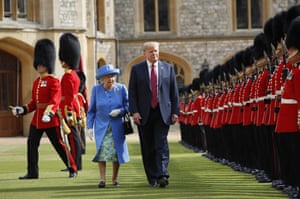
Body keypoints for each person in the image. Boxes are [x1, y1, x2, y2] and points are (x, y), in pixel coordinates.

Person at [10, 38, 78, 179]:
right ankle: (33, 172)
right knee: (31, 144)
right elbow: (34, 103)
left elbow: (55, 100)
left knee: (59, 145)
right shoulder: (36, 82)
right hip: (37, 120)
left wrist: (49, 113)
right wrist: (22, 109)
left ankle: (72, 168)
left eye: (42, 63)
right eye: (38, 63)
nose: (39, 66)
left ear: (47, 64)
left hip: (50, 119)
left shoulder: (54, 81)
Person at [128, 41, 180, 188]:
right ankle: (152, 177)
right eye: (151, 51)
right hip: (144, 114)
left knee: (161, 143)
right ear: (144, 53)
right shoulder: (137, 69)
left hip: (163, 112)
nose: (154, 54)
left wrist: (176, 111)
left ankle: (162, 174)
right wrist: (135, 112)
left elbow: (173, 92)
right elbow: (132, 93)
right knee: (148, 146)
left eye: (156, 51)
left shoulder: (168, 68)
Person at [87, 64, 130, 188]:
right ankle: (102, 179)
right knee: (101, 152)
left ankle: (115, 178)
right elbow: (92, 110)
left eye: (112, 76)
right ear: (101, 79)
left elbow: (128, 106)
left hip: (117, 126)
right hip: (101, 127)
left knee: (116, 153)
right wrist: (90, 127)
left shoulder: (121, 88)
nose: (110, 79)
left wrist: (120, 111)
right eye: (107, 77)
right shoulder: (96, 90)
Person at [59, 32, 82, 173]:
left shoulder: (68, 76)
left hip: (69, 108)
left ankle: (75, 164)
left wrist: (64, 110)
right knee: (74, 136)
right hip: (73, 107)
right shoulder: (74, 74)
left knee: (72, 138)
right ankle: (75, 163)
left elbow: (67, 96)